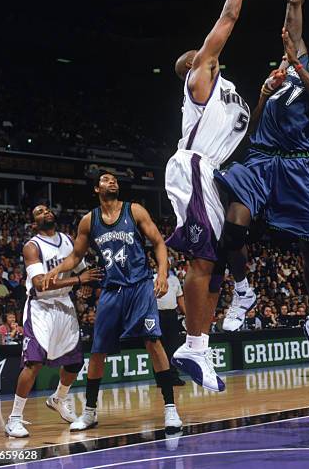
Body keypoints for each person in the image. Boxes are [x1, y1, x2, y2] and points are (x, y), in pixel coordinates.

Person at [216, 0, 309, 372]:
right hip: (260, 157)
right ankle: (242, 289)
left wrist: (295, 63)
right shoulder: (292, 61)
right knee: (233, 227)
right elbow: (294, 2)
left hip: (296, 164)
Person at [164, 0, 270, 393]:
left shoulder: (229, 93)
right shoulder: (200, 79)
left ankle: (200, 342)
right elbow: (226, 21)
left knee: (217, 259)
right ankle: (193, 345)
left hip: (215, 172)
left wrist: (266, 93)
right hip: (193, 167)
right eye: (201, 54)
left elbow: (250, 129)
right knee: (202, 260)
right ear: (194, 68)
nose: (207, 53)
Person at [43, 172, 181, 433]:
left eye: (114, 179)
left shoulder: (134, 210)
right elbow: (75, 255)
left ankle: (170, 409)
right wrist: (57, 269)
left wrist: (162, 273)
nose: (112, 181)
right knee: (98, 351)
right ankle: (91, 411)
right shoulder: (89, 221)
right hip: (112, 290)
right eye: (106, 179)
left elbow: (159, 243)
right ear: (97, 188)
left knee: (153, 342)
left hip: (140, 286)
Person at [4, 204, 101, 438]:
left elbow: (82, 269)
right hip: (40, 307)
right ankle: (14, 419)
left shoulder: (68, 240)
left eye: (47, 209)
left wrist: (85, 284)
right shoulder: (32, 247)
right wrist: (78, 280)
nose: (45, 212)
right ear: (34, 223)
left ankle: (59, 398)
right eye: (38, 212)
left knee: (74, 362)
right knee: (33, 363)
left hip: (64, 305)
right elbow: (40, 283)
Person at [154, 266, 185, 386]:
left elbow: (180, 298)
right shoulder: (152, 278)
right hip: (157, 314)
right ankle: (161, 380)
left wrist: (186, 314)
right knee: (158, 347)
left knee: (173, 347)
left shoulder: (174, 279)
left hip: (172, 315)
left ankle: (174, 377)